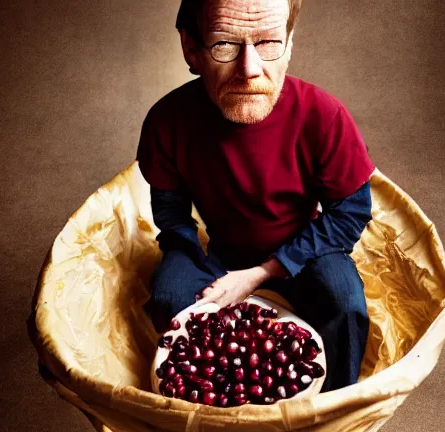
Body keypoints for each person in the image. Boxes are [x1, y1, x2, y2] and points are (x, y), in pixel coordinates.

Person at [136, 0, 375, 391]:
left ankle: (331, 409)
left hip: (306, 250)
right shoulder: (167, 120)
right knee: (168, 296)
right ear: (191, 48)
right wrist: (187, 254)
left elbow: (349, 214)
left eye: (267, 43)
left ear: (290, 43)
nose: (249, 70)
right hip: (222, 253)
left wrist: (262, 273)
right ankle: (211, 404)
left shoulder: (325, 115)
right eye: (225, 45)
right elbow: (171, 212)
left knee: (345, 304)